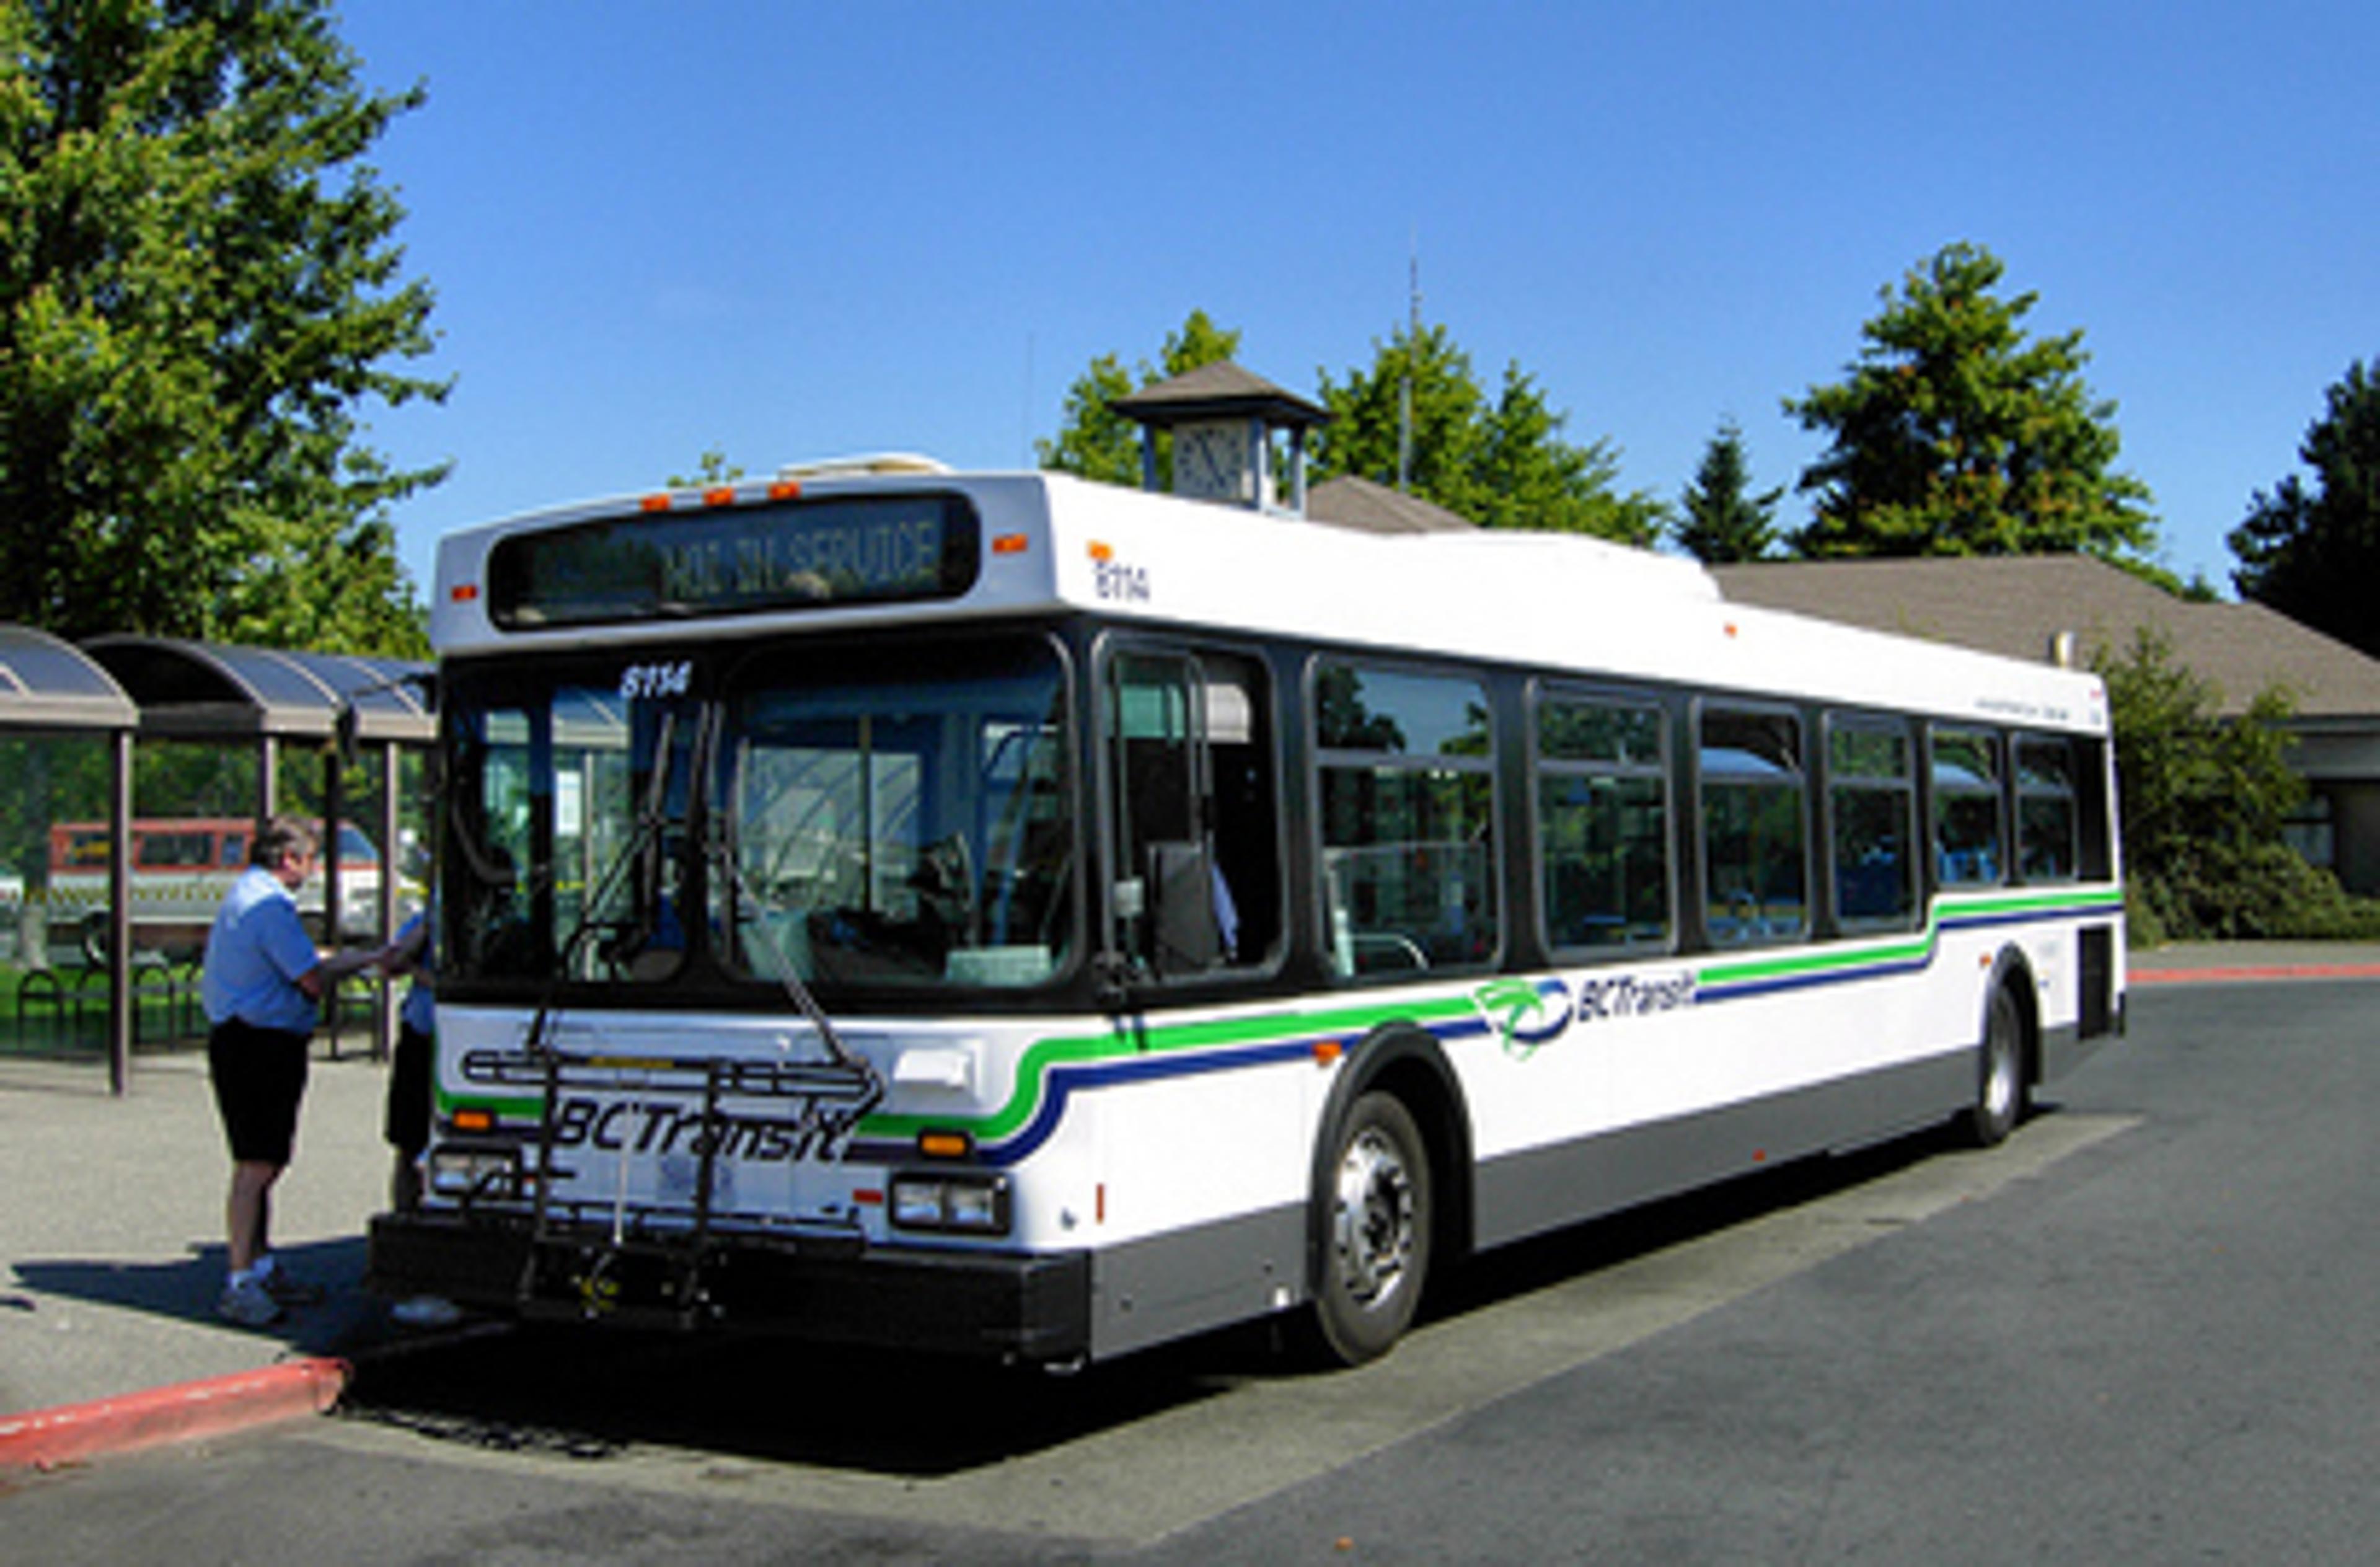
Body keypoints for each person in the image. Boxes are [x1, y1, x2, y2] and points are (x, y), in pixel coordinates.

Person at [199, 816, 376, 1327]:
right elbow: (311, 979)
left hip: (250, 1040)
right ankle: (240, 1282)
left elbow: (292, 959)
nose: (312, 870)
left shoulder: (248, 896)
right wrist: (369, 959)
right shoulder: (270, 906)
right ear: (288, 859)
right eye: (310, 859)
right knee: (255, 1166)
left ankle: (261, 1266)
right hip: (257, 1044)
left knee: (268, 1162)